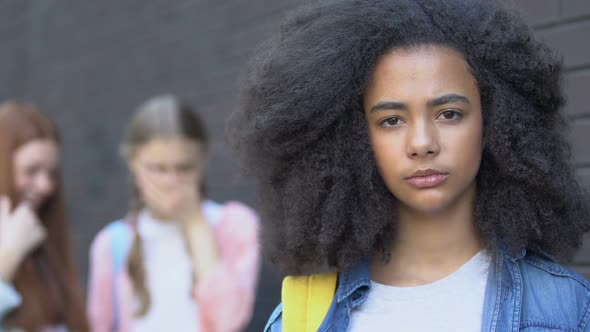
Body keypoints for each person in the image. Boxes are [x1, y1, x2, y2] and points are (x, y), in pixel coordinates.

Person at [228, 0, 590, 331]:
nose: (421, 143)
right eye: (391, 120)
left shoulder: (568, 308)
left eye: (449, 114)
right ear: (352, 139)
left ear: (495, 122)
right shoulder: (299, 320)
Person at [87, 95, 260, 332]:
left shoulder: (235, 225)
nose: (171, 181)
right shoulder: (111, 244)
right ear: (132, 163)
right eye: (157, 169)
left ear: (202, 161)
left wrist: (194, 222)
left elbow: (229, 320)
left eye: (184, 168)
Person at [0, 101, 88, 332]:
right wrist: (7, 257)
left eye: (52, 173)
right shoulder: (16, 249)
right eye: (31, 171)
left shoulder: (44, 255)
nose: (45, 186)